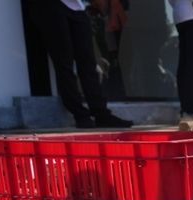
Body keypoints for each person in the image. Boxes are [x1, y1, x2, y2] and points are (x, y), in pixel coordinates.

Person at [25, 0, 133, 128]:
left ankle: (101, 113)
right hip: (49, 6)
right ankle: (80, 114)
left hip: (76, 7)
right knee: (64, 61)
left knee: (88, 62)